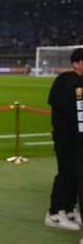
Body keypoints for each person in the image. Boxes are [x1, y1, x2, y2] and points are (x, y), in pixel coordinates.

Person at [44, 48, 83, 232]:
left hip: (76, 137)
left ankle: (69, 209)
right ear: (76, 63)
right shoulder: (67, 80)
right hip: (66, 136)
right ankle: (54, 213)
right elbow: (71, 109)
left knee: (75, 174)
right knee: (66, 173)